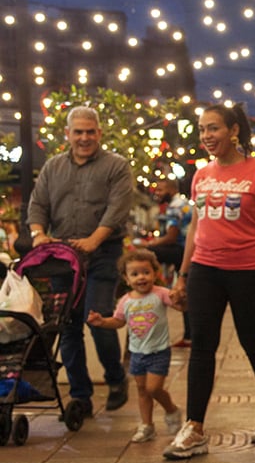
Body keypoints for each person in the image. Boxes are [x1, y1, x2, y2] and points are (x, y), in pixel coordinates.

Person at [164, 103, 255, 460]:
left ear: (233, 131)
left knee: (254, 342)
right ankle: (195, 427)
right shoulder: (201, 175)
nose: (206, 136)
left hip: (250, 270)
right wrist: (184, 275)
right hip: (206, 269)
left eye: (214, 128)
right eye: (203, 129)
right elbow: (195, 228)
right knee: (202, 345)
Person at [28, 105, 133, 416]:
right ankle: (80, 397)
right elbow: (38, 205)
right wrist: (38, 234)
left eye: (90, 131)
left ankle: (115, 379)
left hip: (103, 255)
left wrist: (93, 240)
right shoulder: (52, 167)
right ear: (68, 135)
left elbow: (118, 209)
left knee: (97, 318)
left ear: (99, 133)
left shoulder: (116, 166)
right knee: (68, 327)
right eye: (78, 132)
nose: (84, 137)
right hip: (63, 258)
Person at [88, 249, 183, 443]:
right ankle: (147, 425)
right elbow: (118, 321)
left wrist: (179, 299)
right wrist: (102, 322)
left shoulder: (161, 294)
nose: (141, 277)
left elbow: (181, 307)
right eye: (135, 274)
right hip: (137, 353)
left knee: (153, 388)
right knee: (141, 390)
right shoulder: (126, 301)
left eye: (146, 272)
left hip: (158, 351)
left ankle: (171, 410)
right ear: (126, 278)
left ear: (154, 273)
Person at [137, 177, 193, 346]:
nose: (157, 193)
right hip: (186, 253)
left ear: (171, 190)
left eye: (160, 190)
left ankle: (149, 286)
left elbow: (171, 237)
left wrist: (150, 243)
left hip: (182, 251)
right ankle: (189, 336)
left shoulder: (175, 207)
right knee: (186, 292)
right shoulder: (182, 202)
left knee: (142, 255)